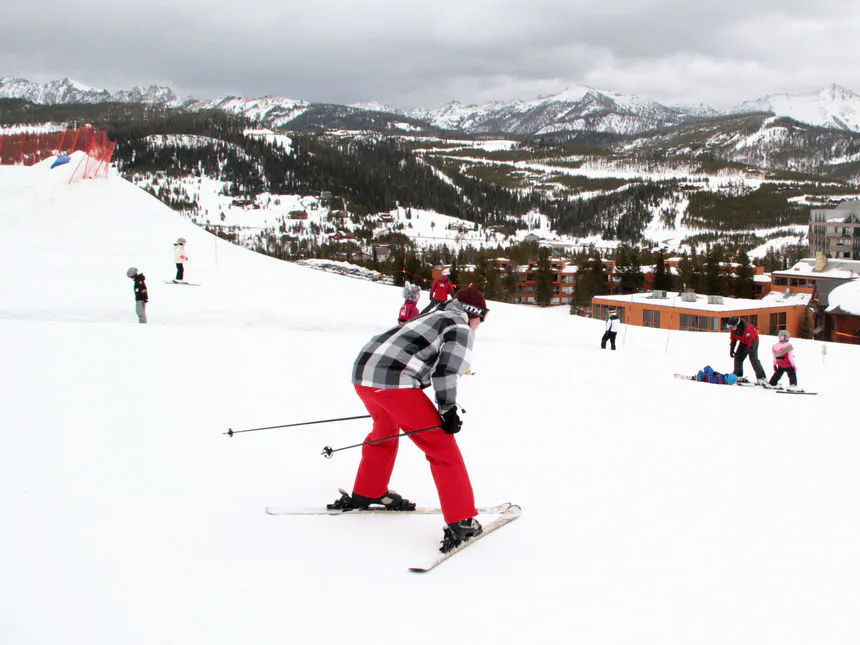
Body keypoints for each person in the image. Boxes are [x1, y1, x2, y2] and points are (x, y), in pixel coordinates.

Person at [329, 286, 490, 553]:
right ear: (474, 314)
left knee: (384, 429)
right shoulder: (460, 327)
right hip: (393, 382)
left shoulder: (433, 315)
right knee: (441, 447)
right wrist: (448, 409)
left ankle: (369, 490)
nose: (479, 325)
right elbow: (446, 371)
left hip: (363, 375)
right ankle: (461, 521)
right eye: (481, 319)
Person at [726, 315, 767, 384]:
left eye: (731, 327)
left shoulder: (747, 329)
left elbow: (751, 342)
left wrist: (749, 350)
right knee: (738, 357)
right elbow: (733, 339)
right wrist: (732, 348)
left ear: (737, 325)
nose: (730, 328)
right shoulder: (733, 329)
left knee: (753, 359)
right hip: (743, 341)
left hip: (753, 341)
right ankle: (738, 375)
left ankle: (761, 377)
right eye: (729, 327)